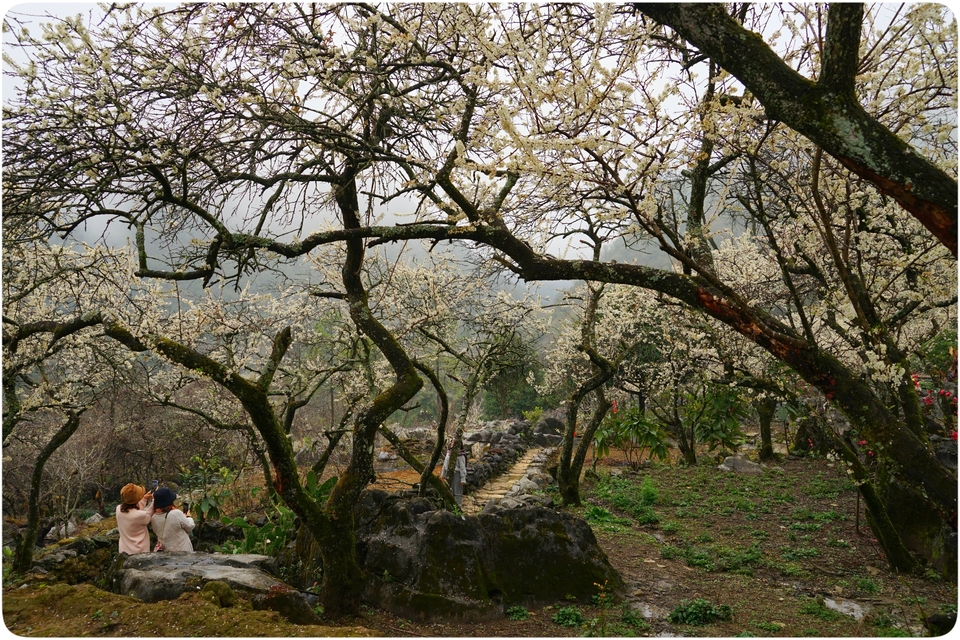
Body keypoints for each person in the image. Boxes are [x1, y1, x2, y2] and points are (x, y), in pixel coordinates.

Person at [150, 487, 195, 552]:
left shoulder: (154, 517)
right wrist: (188, 517)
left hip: (165, 551)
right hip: (182, 551)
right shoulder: (176, 514)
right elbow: (190, 526)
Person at [116, 483, 154, 555]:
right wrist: (154, 500)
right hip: (139, 551)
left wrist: (144, 498)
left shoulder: (118, 509)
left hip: (124, 550)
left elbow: (132, 508)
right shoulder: (139, 515)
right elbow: (149, 514)